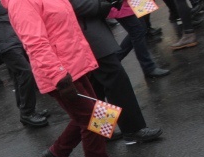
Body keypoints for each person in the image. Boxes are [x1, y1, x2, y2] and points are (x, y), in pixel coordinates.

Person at [2, 0, 136, 157]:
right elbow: (35, 43)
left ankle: (58, 152)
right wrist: (59, 77)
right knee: (94, 119)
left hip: (75, 66)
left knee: (96, 114)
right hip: (60, 74)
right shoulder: (21, 2)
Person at [67, 0, 163, 145]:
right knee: (116, 80)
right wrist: (106, 4)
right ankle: (133, 130)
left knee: (98, 86)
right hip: (89, 34)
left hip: (90, 31)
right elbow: (78, 5)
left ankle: (102, 130)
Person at [0, 0, 50, 127]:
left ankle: (28, 110)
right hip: (4, 45)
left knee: (20, 76)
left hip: (14, 40)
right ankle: (27, 113)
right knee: (26, 73)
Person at [107, 3, 170, 77]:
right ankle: (149, 68)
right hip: (121, 5)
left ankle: (115, 59)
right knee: (137, 31)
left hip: (133, 3)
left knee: (140, 29)